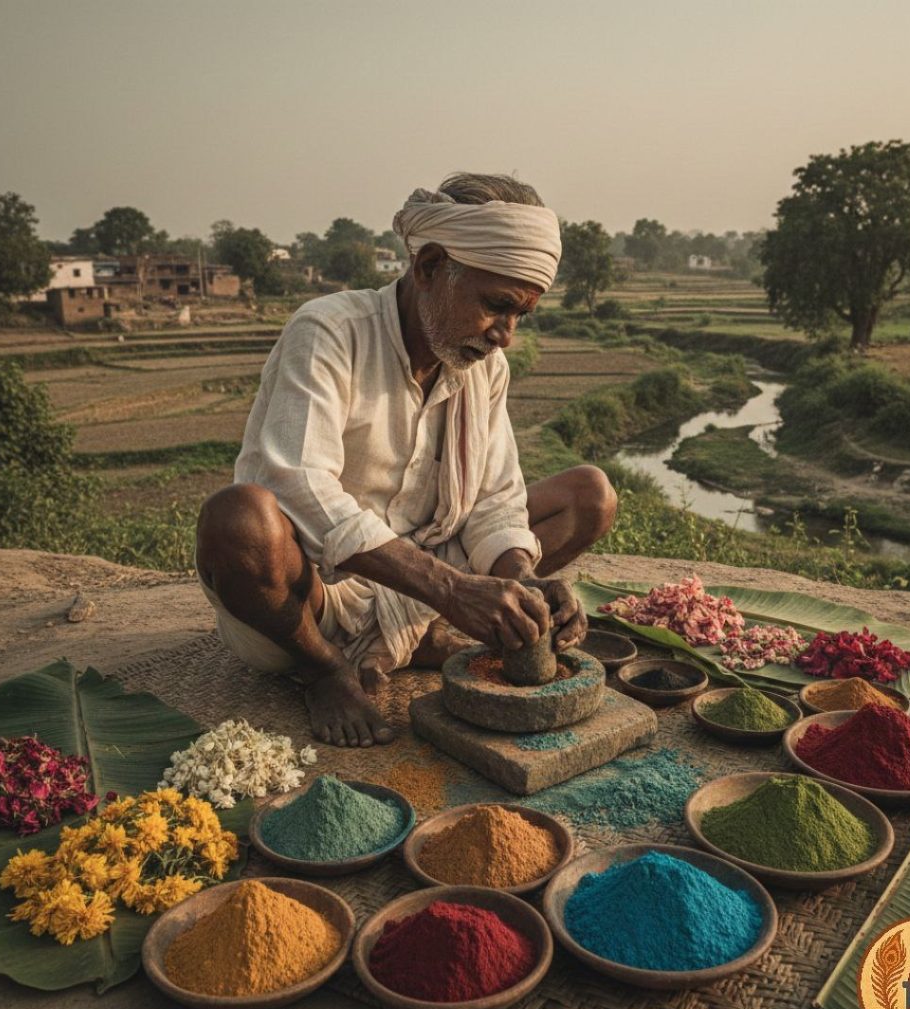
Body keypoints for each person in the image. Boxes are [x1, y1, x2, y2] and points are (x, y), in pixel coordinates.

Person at [195, 172, 617, 748]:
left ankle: (414, 635)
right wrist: (448, 591)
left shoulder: (485, 367)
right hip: (321, 592)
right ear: (429, 267)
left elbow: (496, 499)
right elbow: (295, 484)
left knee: (589, 496)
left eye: (522, 316)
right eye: (497, 306)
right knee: (239, 520)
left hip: (428, 570)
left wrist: (524, 578)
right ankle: (324, 668)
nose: (507, 336)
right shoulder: (330, 331)